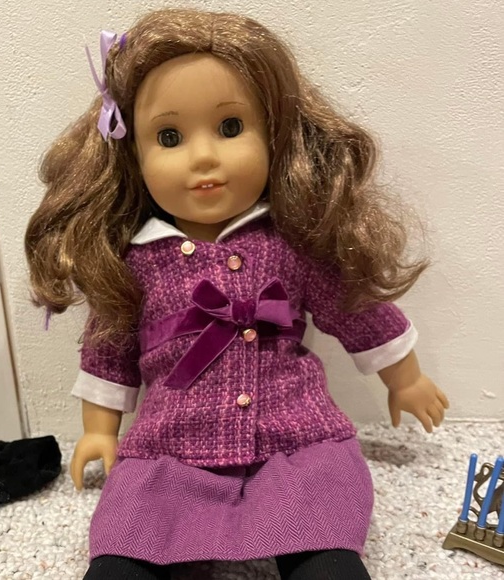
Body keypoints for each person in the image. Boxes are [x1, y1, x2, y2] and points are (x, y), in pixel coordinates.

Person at [25, 8, 449, 579]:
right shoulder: (134, 262)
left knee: (327, 544)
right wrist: (100, 432)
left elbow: (355, 307)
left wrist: (406, 379)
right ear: (133, 155)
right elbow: (107, 351)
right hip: (171, 450)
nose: (204, 157)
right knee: (125, 547)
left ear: (274, 135)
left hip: (295, 441)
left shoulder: (291, 244)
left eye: (230, 128)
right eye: (169, 137)